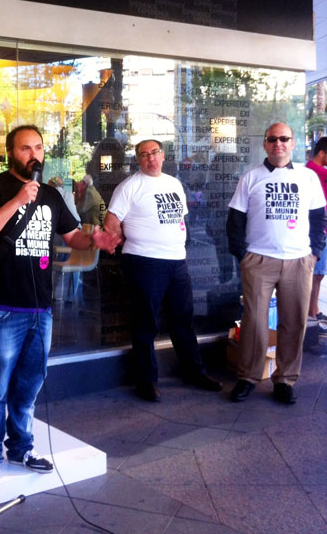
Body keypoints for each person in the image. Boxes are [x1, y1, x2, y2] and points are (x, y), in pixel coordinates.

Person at [0, 125, 119, 491]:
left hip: (40, 308)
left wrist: (96, 239)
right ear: (11, 152)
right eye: (26, 148)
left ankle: (21, 448)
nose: (34, 154)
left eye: (38, 147)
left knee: (29, 385)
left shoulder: (51, 195)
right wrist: (18, 200)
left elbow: (73, 236)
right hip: (1, 307)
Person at [103, 139, 222, 402]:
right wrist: (133, 239)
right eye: (144, 154)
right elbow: (110, 224)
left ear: (163, 155)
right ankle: (146, 380)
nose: (151, 158)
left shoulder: (174, 183)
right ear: (138, 159)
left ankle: (194, 372)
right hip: (144, 262)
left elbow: (179, 218)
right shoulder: (129, 187)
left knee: (183, 320)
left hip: (176, 262)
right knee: (146, 323)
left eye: (155, 152)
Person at [227, 123, 326, 404]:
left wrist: (314, 253)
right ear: (265, 144)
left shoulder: (308, 177)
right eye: (272, 139)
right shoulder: (251, 177)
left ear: (293, 143)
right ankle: (248, 377)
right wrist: (243, 256)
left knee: (294, 322)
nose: (278, 143)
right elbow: (235, 220)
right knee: (254, 322)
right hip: (259, 260)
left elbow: (319, 218)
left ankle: (285, 380)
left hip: (299, 260)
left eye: (284, 138)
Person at [305, 137, 327, 322]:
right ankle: (311, 316)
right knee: (315, 274)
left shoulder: (308, 170)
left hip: (319, 228)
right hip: (319, 229)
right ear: (322, 153)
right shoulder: (317, 172)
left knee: (317, 274)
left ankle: (314, 310)